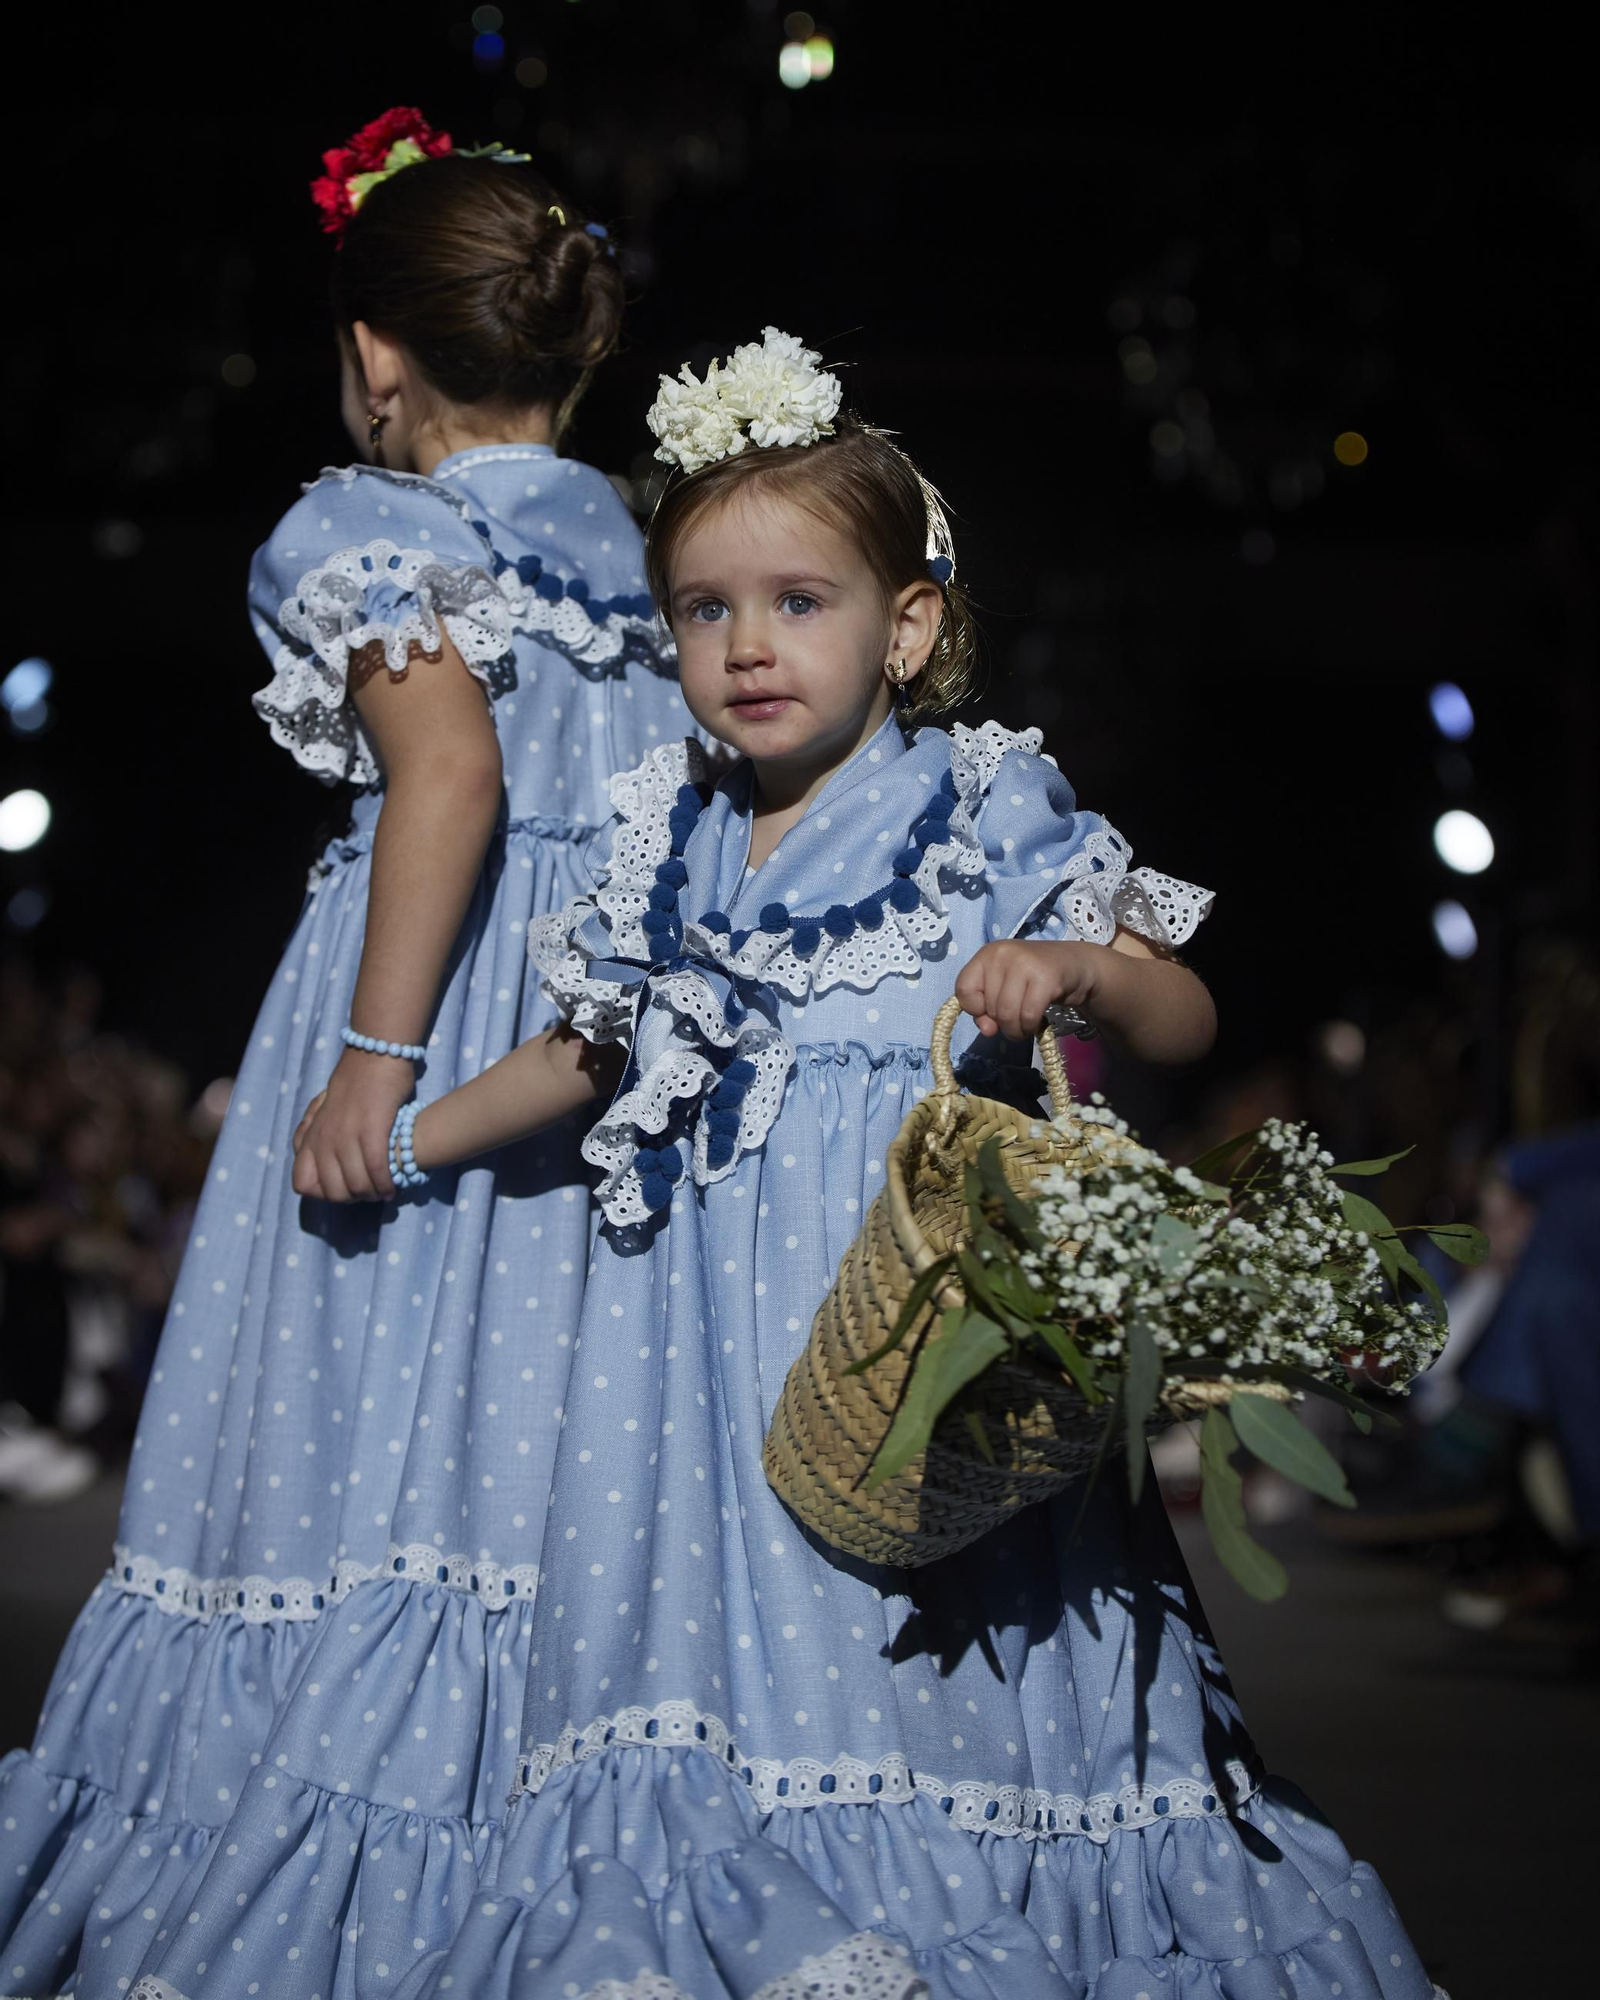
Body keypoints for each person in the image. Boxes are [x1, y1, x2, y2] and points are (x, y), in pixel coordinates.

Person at [144, 332, 1441, 1999]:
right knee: (708, 1644)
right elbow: (586, 1054)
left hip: (901, 1321)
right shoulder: (664, 824)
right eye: (705, 611)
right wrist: (402, 1132)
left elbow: (1184, 1012)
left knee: (923, 1627)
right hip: (692, 1353)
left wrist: (1079, 973)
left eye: (799, 603)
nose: (749, 648)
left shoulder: (980, 806)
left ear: (907, 625)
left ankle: (951, 1858)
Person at [0, 109, 691, 1997]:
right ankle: (490, 1817)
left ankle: (311, 1819)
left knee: (340, 1442)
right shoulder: (651, 561)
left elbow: (447, 771)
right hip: (596, 1034)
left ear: (377, 355)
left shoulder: (367, 525)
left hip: (435, 993)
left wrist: (378, 1058)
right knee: (521, 1441)